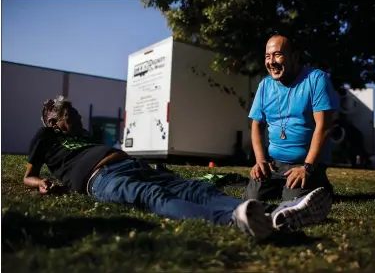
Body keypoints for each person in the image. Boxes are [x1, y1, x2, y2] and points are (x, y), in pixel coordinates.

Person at [24, 97, 279, 240]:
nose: (79, 117)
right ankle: (235, 220)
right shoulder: (45, 136)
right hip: (101, 178)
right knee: (153, 196)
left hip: (133, 165)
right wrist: (41, 183)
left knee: (194, 188)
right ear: (53, 122)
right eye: (72, 114)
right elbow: (29, 176)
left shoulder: (85, 133)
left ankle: (276, 212)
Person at [244, 34, 340, 228]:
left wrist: (308, 167)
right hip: (274, 163)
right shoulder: (264, 85)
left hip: (304, 163)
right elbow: (256, 125)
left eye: (278, 55)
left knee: (290, 204)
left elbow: (324, 125)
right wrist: (260, 160)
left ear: (295, 57)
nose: (271, 62)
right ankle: (291, 186)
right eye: (267, 56)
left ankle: (318, 182)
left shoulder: (316, 78)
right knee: (250, 201)